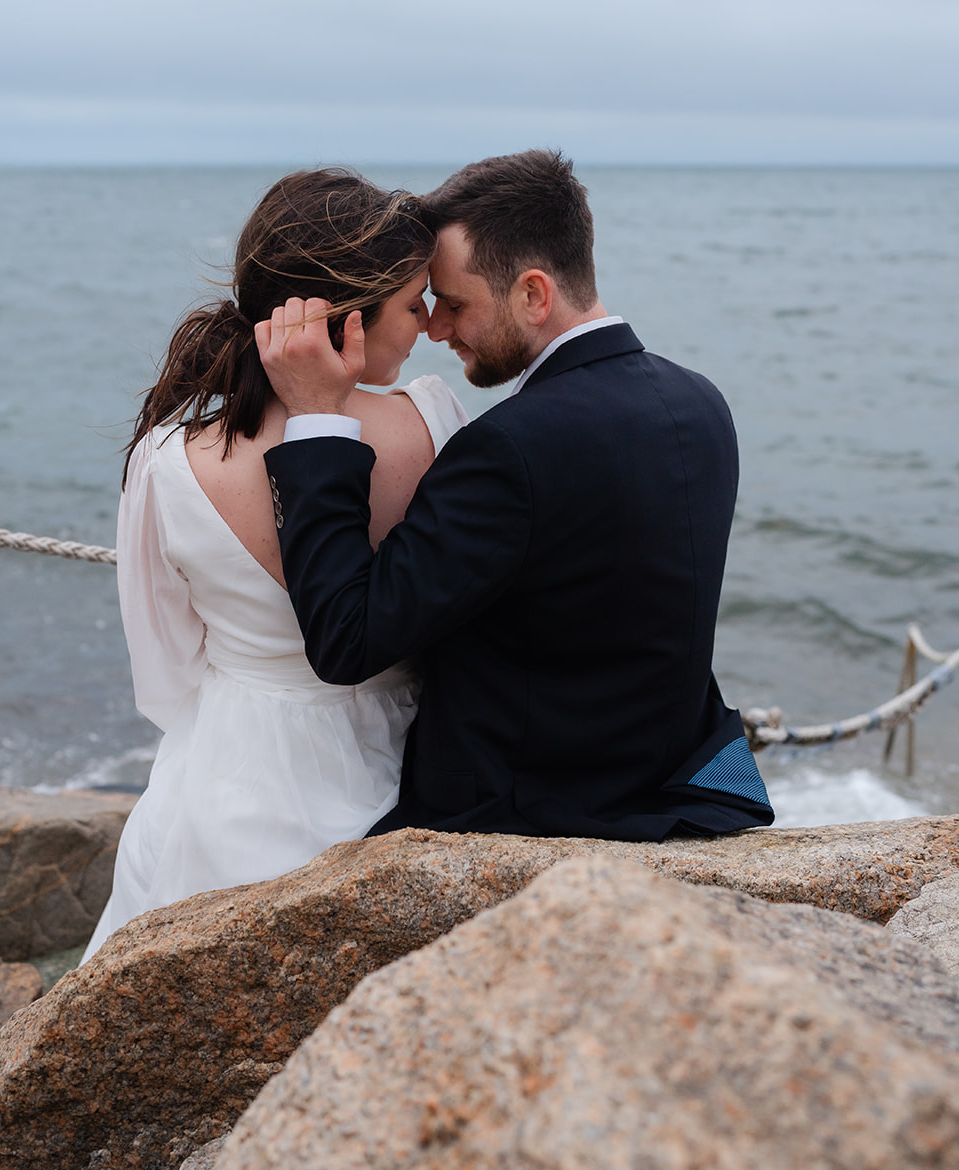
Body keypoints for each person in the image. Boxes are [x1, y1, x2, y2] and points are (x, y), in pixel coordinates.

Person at [258, 149, 774, 840]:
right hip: (679, 780)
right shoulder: (699, 401)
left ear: (533, 293)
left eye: (454, 303)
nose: (436, 329)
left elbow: (348, 640)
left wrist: (318, 420)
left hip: (525, 813)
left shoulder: (509, 446)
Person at [83, 169, 467, 960]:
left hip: (236, 765)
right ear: (347, 320)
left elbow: (163, 668)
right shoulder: (432, 420)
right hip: (418, 752)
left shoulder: (167, 461)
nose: (429, 325)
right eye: (413, 302)